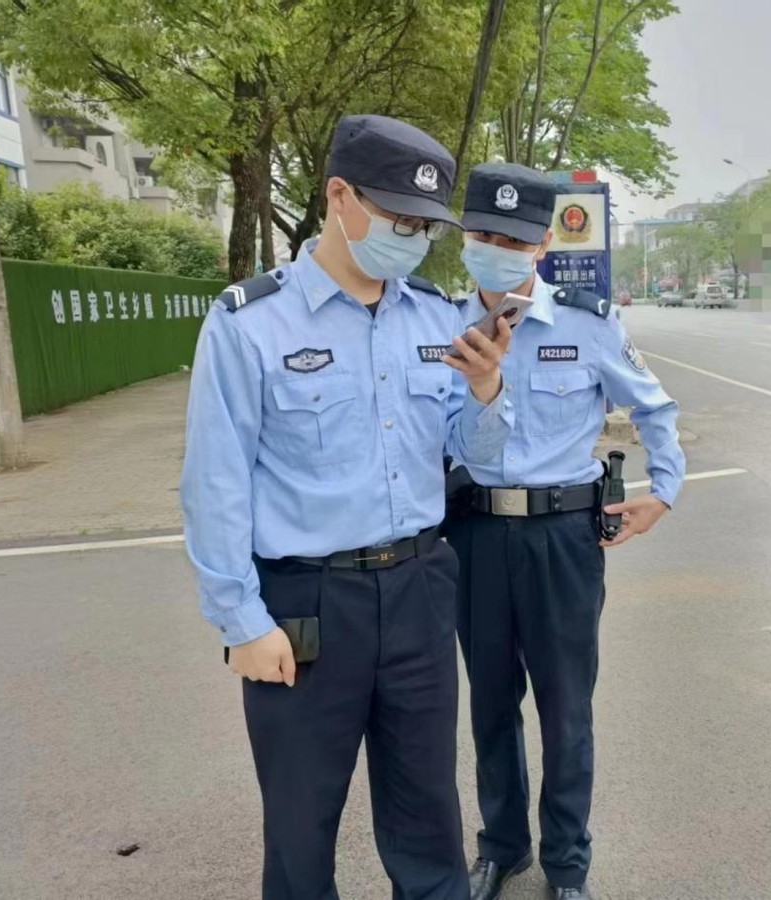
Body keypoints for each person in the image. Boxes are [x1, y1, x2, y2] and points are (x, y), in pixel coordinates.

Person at [180, 114, 514, 900]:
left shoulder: (434, 315)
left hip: (420, 587)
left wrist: (486, 389)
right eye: (399, 220)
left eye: (425, 227)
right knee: (301, 833)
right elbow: (216, 482)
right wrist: (241, 621)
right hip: (306, 603)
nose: (413, 240)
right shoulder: (251, 321)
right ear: (340, 197)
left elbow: (479, 456)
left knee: (429, 821)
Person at [444, 162, 686, 900]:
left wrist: (664, 492)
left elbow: (654, 408)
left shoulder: (588, 323)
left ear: (543, 244)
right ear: (465, 238)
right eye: (484, 236)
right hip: (476, 535)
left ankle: (568, 864)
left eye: (515, 240)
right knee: (490, 705)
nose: (498, 251)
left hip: (563, 540)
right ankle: (502, 848)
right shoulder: (435, 323)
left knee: (565, 709)